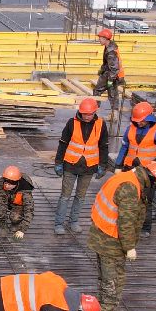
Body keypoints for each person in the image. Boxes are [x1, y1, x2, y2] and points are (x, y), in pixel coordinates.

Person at [87, 160, 156, 311]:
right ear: (153, 180)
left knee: (105, 277)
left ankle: (103, 310)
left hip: (101, 235)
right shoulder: (130, 188)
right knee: (114, 279)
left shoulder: (125, 177)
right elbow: (126, 223)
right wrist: (130, 247)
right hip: (112, 242)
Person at [53, 97, 108, 235]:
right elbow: (63, 143)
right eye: (85, 114)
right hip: (70, 165)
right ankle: (59, 223)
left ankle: (74, 221)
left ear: (95, 112)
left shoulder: (101, 125)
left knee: (80, 196)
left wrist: (103, 165)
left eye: (90, 114)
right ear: (80, 112)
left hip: (89, 167)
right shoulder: (72, 123)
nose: (87, 117)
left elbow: (103, 146)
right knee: (65, 195)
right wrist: (58, 162)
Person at [116, 101, 156, 237]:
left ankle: (145, 228)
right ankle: (126, 225)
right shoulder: (130, 129)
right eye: (137, 121)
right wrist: (118, 165)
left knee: (146, 201)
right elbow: (124, 148)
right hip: (130, 169)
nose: (139, 123)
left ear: (149, 118)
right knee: (126, 198)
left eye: (141, 121)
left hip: (148, 173)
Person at [0, 165, 34, 239]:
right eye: (5, 183)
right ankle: (3, 224)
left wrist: (22, 230)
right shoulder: (0, 183)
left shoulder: (25, 189)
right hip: (4, 201)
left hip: (17, 205)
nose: (6, 185)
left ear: (16, 183)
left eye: (9, 184)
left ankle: (15, 224)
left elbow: (29, 210)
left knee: (15, 218)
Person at [95, 27, 125, 116]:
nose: (99, 39)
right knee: (113, 94)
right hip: (113, 74)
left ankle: (95, 112)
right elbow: (108, 63)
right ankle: (114, 114)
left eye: (100, 38)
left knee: (98, 91)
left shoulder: (111, 51)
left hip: (113, 74)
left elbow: (114, 68)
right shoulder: (109, 46)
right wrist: (102, 69)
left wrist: (110, 80)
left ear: (105, 39)